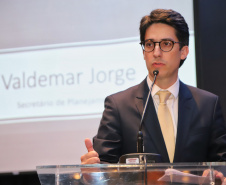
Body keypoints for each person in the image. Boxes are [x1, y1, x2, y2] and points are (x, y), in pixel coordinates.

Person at [80, 9, 226, 165]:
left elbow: (221, 163)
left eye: (166, 44)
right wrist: (93, 170)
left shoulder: (207, 105)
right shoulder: (118, 106)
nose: (156, 52)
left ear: (183, 51)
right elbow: (103, 166)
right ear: (144, 52)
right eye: (149, 44)